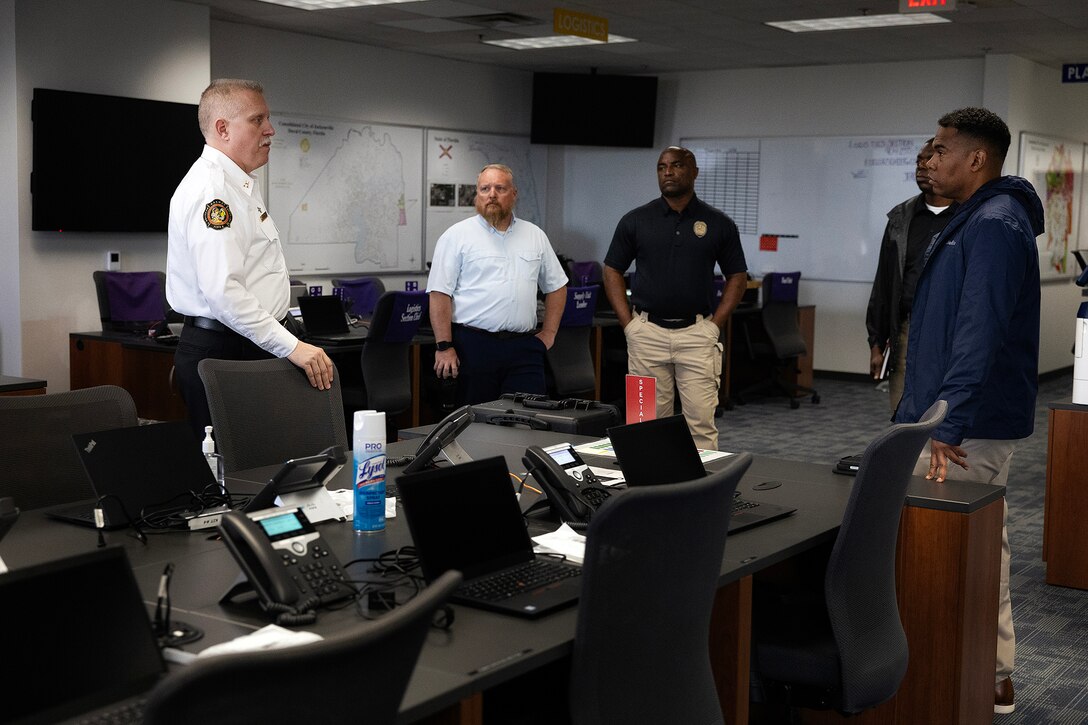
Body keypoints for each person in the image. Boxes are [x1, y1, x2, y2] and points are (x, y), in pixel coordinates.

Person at [894, 107, 1043, 716]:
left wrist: (947, 424)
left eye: (940, 149)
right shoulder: (973, 218)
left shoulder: (994, 224)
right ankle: (987, 669)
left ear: (976, 159)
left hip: (961, 426)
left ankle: (989, 672)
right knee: (967, 545)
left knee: (970, 549)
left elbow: (978, 332)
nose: (929, 159)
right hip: (943, 415)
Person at [167, 79, 333, 436]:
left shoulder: (237, 184)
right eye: (258, 120)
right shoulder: (214, 193)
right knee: (233, 480)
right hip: (226, 352)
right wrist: (293, 347)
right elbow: (224, 293)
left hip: (248, 346)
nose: (270, 130)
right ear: (222, 129)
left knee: (264, 470)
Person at [603, 146, 748, 450]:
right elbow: (612, 269)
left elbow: (738, 276)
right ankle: (649, 494)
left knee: (701, 426)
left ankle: (703, 495)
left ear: (693, 172)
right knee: (644, 425)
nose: (668, 172)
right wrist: (628, 325)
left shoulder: (718, 223)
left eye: (676, 165)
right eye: (661, 167)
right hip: (646, 336)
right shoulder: (636, 220)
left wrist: (715, 325)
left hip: (697, 335)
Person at [427, 163, 567, 405]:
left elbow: (557, 286)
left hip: (524, 347)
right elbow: (439, 294)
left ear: (514, 194)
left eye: (500, 188)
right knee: (476, 424)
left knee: (529, 422)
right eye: (485, 189)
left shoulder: (535, 235)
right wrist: (444, 346)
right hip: (474, 347)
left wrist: (549, 333)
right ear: (477, 196)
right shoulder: (456, 236)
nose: (491, 194)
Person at [865, 138, 956, 412]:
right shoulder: (901, 219)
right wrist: (876, 343)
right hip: (906, 329)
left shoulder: (968, 216)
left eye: (930, 160)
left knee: (946, 415)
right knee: (904, 416)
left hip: (949, 331)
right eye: (918, 160)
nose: (923, 166)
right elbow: (883, 284)